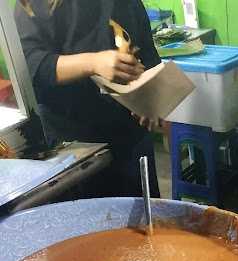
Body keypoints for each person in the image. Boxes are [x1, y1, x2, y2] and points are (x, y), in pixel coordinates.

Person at [15, 0, 161, 197]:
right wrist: (93, 62)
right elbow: (30, 64)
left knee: (142, 221)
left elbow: (148, 55)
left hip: (131, 137)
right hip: (75, 146)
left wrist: (150, 98)